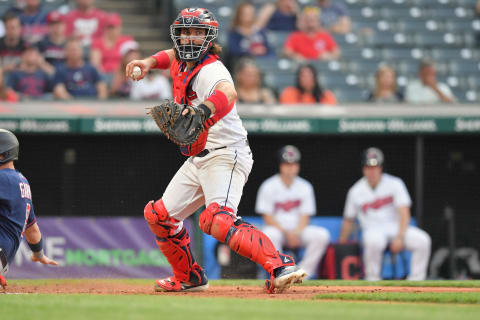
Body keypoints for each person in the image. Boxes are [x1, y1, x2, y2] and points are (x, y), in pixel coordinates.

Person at [125, 7, 306, 293]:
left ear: (208, 37)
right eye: (185, 32)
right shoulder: (181, 59)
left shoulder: (211, 69)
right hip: (200, 157)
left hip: (226, 153)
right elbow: (170, 55)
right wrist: (148, 62)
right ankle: (189, 277)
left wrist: (203, 111)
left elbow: (229, 93)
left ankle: (279, 264)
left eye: (197, 32)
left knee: (217, 220)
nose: (189, 39)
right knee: (159, 215)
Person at [338, 147, 431, 280]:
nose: (372, 171)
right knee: (373, 241)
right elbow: (348, 219)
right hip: (372, 229)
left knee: (423, 240)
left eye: (375, 167)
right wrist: (342, 241)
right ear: (363, 169)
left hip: (396, 227)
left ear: (381, 168)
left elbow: (404, 213)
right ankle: (372, 280)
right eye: (368, 167)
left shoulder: (395, 183)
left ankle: (416, 281)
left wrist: (400, 237)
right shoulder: (355, 190)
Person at [255, 145, 330, 279]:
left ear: (297, 166)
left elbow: (305, 216)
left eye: (293, 164)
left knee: (321, 235)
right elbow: (267, 217)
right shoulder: (269, 185)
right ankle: (280, 271)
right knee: (269, 234)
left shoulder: (305, 186)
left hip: (298, 231)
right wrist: (286, 232)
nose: (290, 167)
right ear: (281, 166)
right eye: (287, 164)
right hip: (278, 230)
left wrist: (296, 232)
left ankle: (303, 274)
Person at [0, 129, 58, 290]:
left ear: (3, 154)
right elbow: (32, 229)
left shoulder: (3, 178)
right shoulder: (22, 181)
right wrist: (38, 254)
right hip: (3, 260)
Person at [90, 13, 137, 85]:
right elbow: (95, 63)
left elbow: (133, 59)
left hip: (123, 74)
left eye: (114, 27)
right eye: (109, 27)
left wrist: (119, 72)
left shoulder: (127, 41)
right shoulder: (98, 42)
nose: (111, 30)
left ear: (119, 27)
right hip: (104, 75)